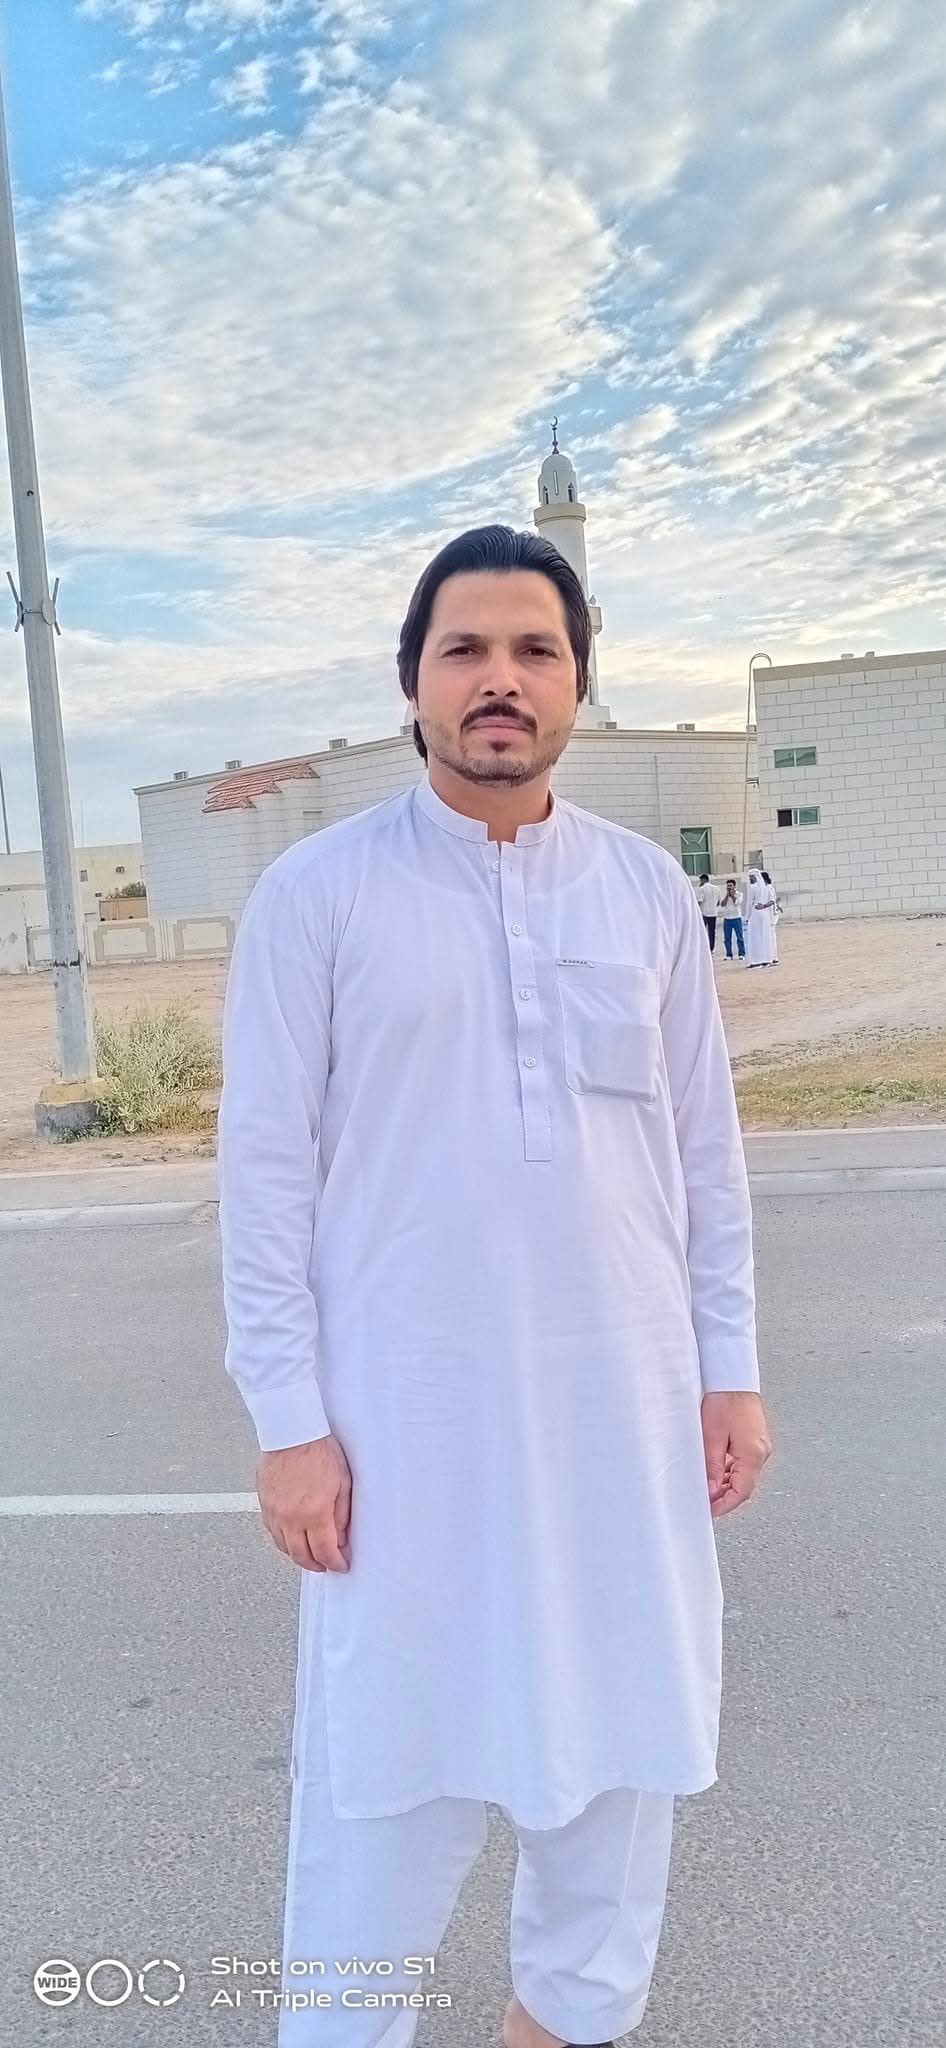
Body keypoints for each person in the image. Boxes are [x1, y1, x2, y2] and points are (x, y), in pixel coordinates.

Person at [218, 523, 773, 2048]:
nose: (499, 680)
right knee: (380, 1785)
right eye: (463, 649)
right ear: (411, 679)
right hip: (404, 1431)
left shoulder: (643, 895)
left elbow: (702, 1155)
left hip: (624, 1422)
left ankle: (564, 2022)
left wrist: (728, 1367)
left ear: (578, 682)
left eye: (535, 650)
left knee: (619, 1753)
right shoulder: (318, 897)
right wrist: (288, 1421)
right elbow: (264, 1180)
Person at [744, 868, 770, 967]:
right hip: (764, 913)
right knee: (763, 936)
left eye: (751, 877)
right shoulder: (764, 888)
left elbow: (749, 903)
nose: (750, 879)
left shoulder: (753, 887)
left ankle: (755, 960)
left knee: (754, 937)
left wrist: (746, 916)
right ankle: (765, 959)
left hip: (755, 914)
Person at [719, 877, 745, 960]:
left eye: (731, 885)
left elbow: (737, 903)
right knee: (727, 938)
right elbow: (722, 904)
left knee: (739, 937)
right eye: (728, 886)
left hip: (736, 918)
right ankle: (729, 954)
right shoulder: (725, 894)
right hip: (727, 918)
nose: (729, 887)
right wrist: (727, 895)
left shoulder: (739, 894)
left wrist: (732, 895)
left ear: (734, 886)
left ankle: (741, 954)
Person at [761, 871, 780, 964]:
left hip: (771, 915)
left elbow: (772, 901)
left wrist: (763, 906)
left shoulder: (769, 888)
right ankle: (770, 956)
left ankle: (774, 957)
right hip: (768, 915)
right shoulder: (765, 888)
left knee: (771, 936)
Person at [696, 871, 718, 950]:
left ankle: (702, 947)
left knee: (701, 931)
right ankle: (711, 947)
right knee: (712, 932)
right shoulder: (716, 888)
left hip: (704, 913)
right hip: (713, 913)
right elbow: (718, 902)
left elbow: (699, 901)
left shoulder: (702, 889)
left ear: (703, 880)